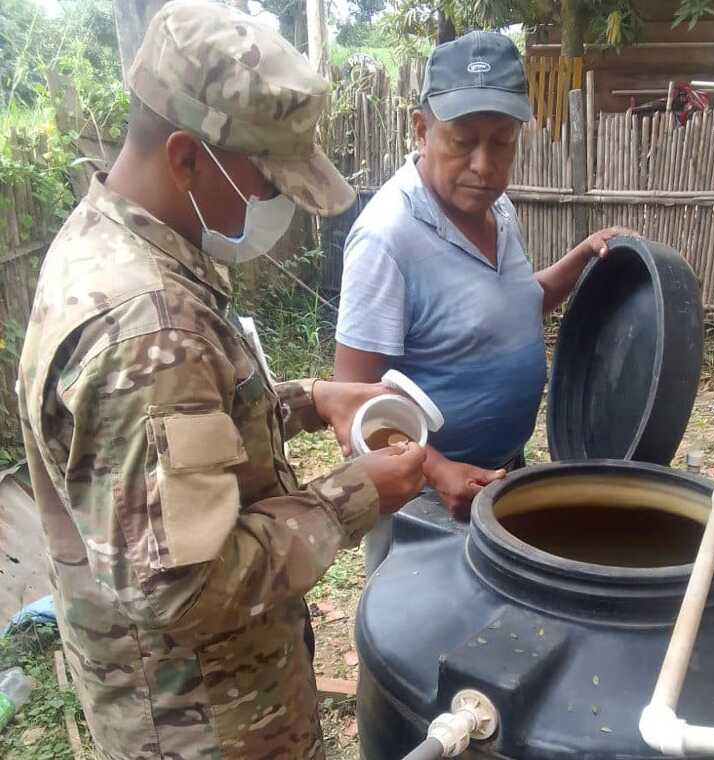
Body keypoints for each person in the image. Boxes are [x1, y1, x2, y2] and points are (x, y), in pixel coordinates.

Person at [16, 2, 425, 758]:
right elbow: (183, 588)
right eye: (268, 180)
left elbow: (189, 435)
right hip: (203, 725)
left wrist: (306, 400)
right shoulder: (148, 326)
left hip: (204, 697)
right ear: (187, 159)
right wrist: (354, 496)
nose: (280, 207)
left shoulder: (110, 241)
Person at [333, 31, 631, 551]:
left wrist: (582, 257)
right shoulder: (387, 238)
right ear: (422, 130)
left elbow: (514, 306)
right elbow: (354, 406)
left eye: (502, 141)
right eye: (463, 141)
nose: (484, 164)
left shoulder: (496, 208)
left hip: (502, 484)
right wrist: (438, 470)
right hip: (423, 509)